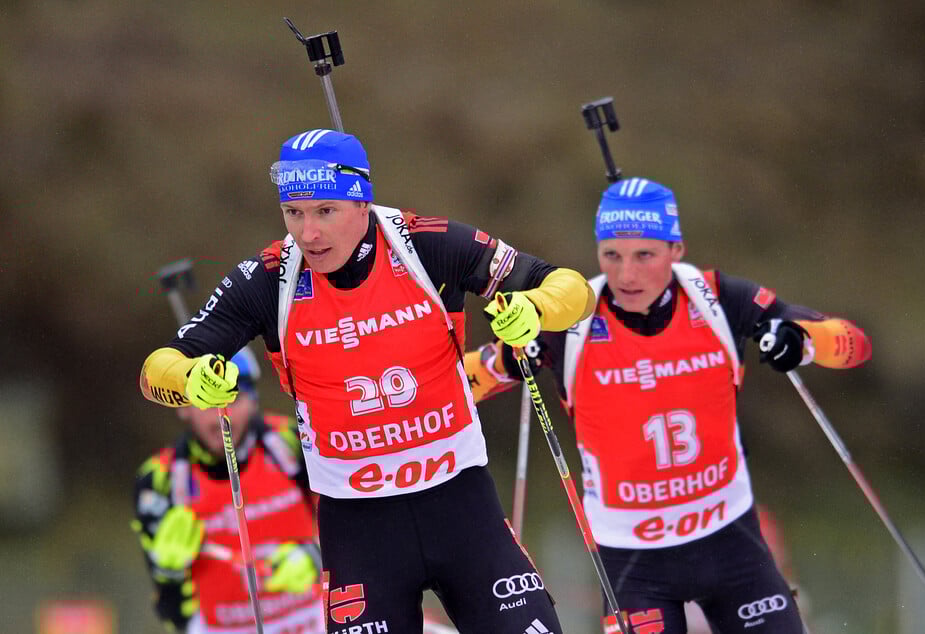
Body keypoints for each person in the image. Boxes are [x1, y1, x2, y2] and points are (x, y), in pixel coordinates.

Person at [139, 128, 596, 634]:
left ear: (362, 203)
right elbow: (156, 368)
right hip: (359, 527)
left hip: (459, 503)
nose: (308, 233)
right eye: (294, 214)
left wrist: (536, 308)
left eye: (325, 212)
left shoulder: (428, 245)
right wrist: (191, 378)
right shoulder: (269, 278)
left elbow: (571, 288)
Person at [464, 177, 871, 634]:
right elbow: (465, 381)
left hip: (730, 542)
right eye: (612, 255)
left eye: (645, 255)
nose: (626, 275)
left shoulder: (718, 299)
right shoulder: (569, 319)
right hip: (632, 560)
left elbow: (854, 345)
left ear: (676, 250)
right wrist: (505, 358)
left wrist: (803, 341)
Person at [132, 347, 325, 634]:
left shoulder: (293, 443)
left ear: (253, 400)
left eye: (232, 400)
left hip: (312, 620)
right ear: (184, 408)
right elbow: (170, 608)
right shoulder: (160, 480)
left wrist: (313, 556)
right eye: (204, 404)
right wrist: (168, 569)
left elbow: (357, 530)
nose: (218, 419)